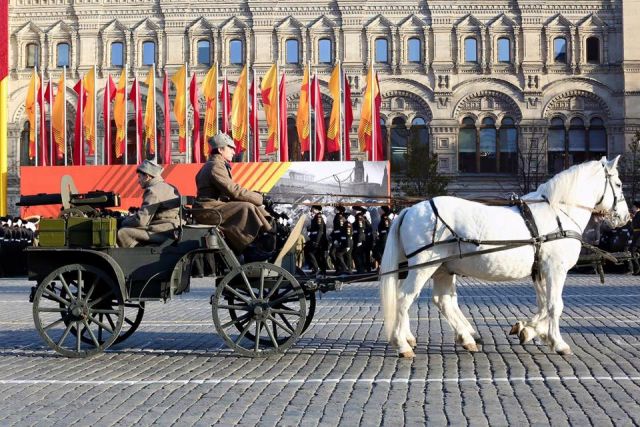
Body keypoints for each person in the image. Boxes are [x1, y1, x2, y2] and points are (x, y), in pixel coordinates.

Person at [192, 132, 273, 254]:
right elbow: (234, 191)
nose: (234, 152)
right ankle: (251, 245)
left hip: (212, 207)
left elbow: (231, 191)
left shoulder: (215, 164)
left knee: (252, 206)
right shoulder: (215, 166)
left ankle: (266, 235)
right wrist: (259, 198)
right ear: (220, 149)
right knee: (247, 207)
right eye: (230, 148)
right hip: (209, 210)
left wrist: (255, 197)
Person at [117, 160, 182, 248]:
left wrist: (122, 221)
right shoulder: (171, 187)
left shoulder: (152, 190)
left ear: (147, 177)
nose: (138, 181)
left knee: (122, 232)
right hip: (172, 228)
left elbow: (141, 221)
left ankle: (138, 258)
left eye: (139, 177)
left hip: (161, 231)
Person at [304, 205, 328, 276]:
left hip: (319, 240)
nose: (311, 211)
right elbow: (315, 229)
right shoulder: (315, 217)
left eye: (313, 209)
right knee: (318, 255)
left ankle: (316, 269)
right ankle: (321, 271)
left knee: (310, 253)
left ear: (317, 210)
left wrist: (316, 242)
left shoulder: (318, 217)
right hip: (316, 239)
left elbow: (320, 230)